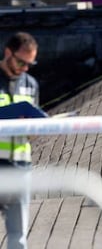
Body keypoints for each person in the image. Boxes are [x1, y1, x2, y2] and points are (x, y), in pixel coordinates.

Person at [0, 32, 39, 249]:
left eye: (30, 64)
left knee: (18, 236)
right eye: (21, 62)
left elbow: (34, 133)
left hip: (21, 168)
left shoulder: (31, 85)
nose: (25, 68)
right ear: (8, 52)